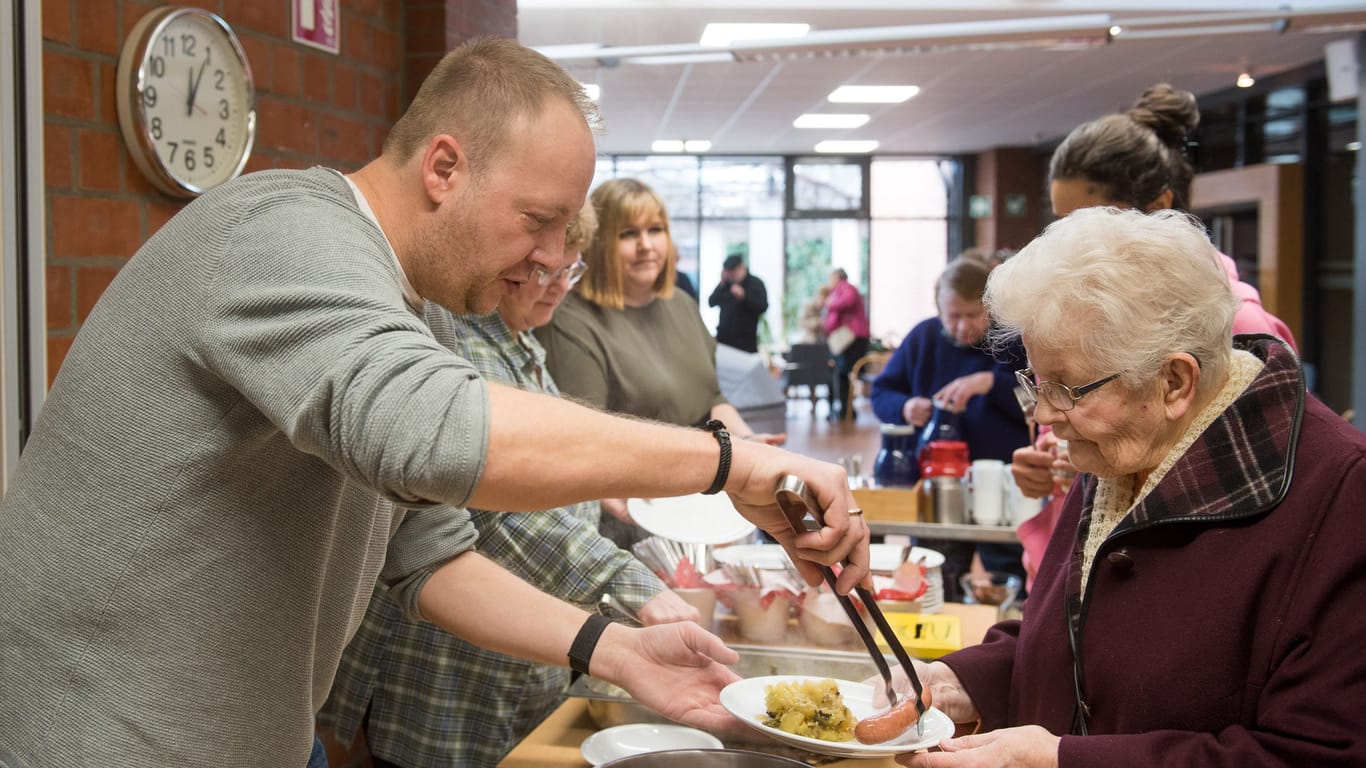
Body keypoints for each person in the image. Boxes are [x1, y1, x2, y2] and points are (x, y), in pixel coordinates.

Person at [0, 38, 869, 768]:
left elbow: (430, 559)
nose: (550, 257)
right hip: (101, 734)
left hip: (247, 733)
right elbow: (438, 434)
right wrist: (729, 462)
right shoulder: (281, 234)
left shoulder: (422, 314)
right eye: (538, 220)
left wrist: (615, 648)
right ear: (445, 167)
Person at [885, 207, 1366, 768]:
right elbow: (1076, 629)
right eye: (1036, 382)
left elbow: (1321, 755)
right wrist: (964, 681)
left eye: (1066, 388)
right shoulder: (1128, 441)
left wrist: (1063, 762)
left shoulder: (1341, 499)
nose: (1044, 413)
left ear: (1174, 381)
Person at [318, 205, 699, 767]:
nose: (556, 289)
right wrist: (631, 583)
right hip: (449, 671)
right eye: (543, 272)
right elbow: (504, 511)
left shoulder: (521, 340)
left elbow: (555, 475)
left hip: (518, 657)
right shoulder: (465, 347)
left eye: (569, 271)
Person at [1012, 83, 1300, 589]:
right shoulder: (1080, 317)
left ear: (1160, 207)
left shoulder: (1240, 329)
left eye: (1092, 222)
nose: (1069, 245)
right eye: (1059, 225)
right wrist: (1058, 468)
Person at [536, 178, 786, 548]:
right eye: (628, 233)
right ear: (599, 242)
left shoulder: (682, 306)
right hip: (627, 522)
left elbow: (710, 398)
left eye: (656, 230)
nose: (646, 246)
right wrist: (718, 457)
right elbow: (588, 439)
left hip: (700, 505)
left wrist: (749, 445)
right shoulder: (570, 320)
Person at [868, 256, 1030, 598]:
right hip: (936, 486)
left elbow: (1041, 402)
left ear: (991, 307)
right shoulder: (923, 337)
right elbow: (882, 392)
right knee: (938, 575)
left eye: (973, 316)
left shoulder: (1013, 339)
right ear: (939, 308)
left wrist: (992, 382)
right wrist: (905, 407)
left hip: (1001, 484)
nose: (962, 327)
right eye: (953, 317)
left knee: (1011, 576)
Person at [823, 267, 871, 420]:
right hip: (848, 338)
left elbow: (846, 301)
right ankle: (844, 409)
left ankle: (846, 409)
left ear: (837, 277)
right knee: (841, 373)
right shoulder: (839, 290)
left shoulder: (846, 288)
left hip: (852, 338)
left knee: (845, 373)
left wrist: (830, 302)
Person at [708, 253, 769, 353]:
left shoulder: (755, 283)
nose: (732, 275)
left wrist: (744, 297)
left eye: (733, 272)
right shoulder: (726, 285)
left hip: (745, 343)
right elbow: (711, 302)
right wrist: (722, 284)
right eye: (729, 272)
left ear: (741, 267)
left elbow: (763, 307)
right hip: (724, 342)